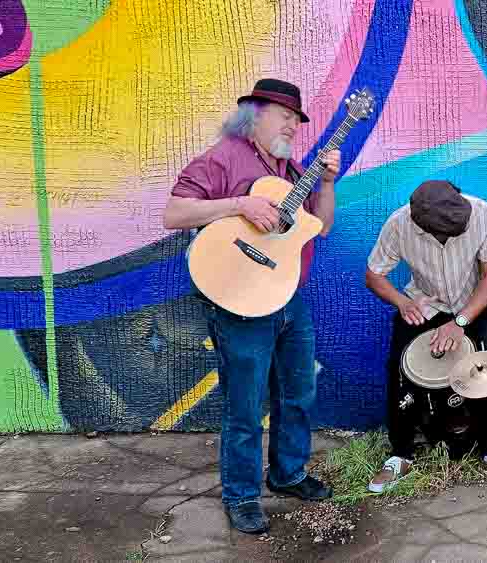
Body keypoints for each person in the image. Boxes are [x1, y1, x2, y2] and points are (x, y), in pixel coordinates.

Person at [163, 78, 338, 534]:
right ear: (254, 115)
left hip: (288, 301)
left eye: (297, 120)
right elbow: (174, 214)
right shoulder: (224, 158)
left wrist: (328, 181)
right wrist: (240, 204)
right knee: (244, 406)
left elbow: (320, 227)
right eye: (285, 117)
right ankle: (241, 495)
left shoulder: (290, 169)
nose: (293, 127)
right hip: (240, 303)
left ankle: (288, 473)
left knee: (298, 393)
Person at [365, 179, 487, 492]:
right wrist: (403, 302)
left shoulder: (483, 214)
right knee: (399, 371)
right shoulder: (399, 224)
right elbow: (373, 275)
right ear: (421, 226)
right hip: (424, 304)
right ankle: (400, 454)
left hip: (475, 303)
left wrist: (461, 321)